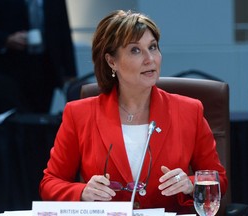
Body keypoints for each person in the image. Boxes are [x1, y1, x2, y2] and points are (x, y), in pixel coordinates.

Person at [39, 10, 228, 213]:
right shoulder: (79, 114)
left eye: (153, 47)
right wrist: (83, 191)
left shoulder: (189, 110)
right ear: (112, 61)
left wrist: (191, 183)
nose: (150, 59)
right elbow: (50, 184)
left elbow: (218, 179)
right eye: (135, 51)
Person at [0, 0, 77, 114]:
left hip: (45, 68)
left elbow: (63, 30)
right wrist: (5, 39)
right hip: (8, 67)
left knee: (41, 116)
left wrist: (70, 72)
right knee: (12, 118)